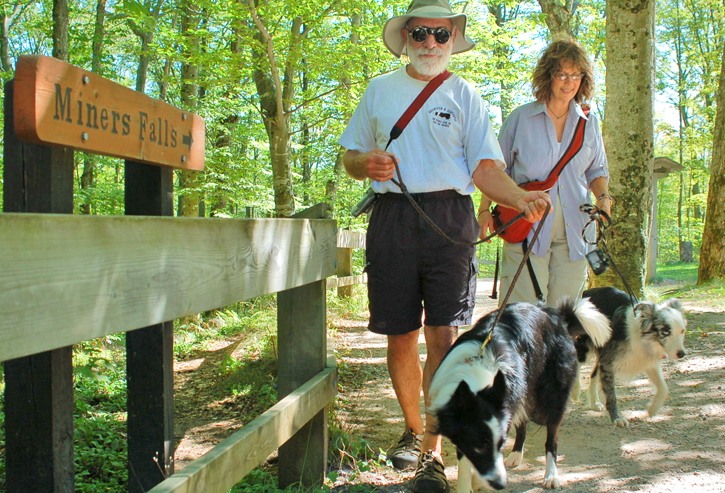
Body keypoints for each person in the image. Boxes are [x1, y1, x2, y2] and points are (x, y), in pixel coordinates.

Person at [338, 1, 550, 491]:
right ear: (406, 36)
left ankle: (432, 450)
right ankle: (414, 429)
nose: (431, 42)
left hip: (450, 221)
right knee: (399, 336)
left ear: (453, 38)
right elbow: (349, 156)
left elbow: (484, 169)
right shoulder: (379, 91)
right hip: (392, 217)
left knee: (442, 339)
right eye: (421, 33)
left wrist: (519, 198)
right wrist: (364, 163)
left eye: (441, 34)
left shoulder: (466, 95)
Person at [478, 38, 611, 307]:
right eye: (562, 74)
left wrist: (604, 198)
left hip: (576, 228)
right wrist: (483, 210)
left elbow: (596, 168)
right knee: (522, 314)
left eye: (576, 75)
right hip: (526, 223)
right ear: (548, 75)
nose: (569, 81)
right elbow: (494, 169)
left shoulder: (590, 123)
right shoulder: (520, 118)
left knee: (565, 317)